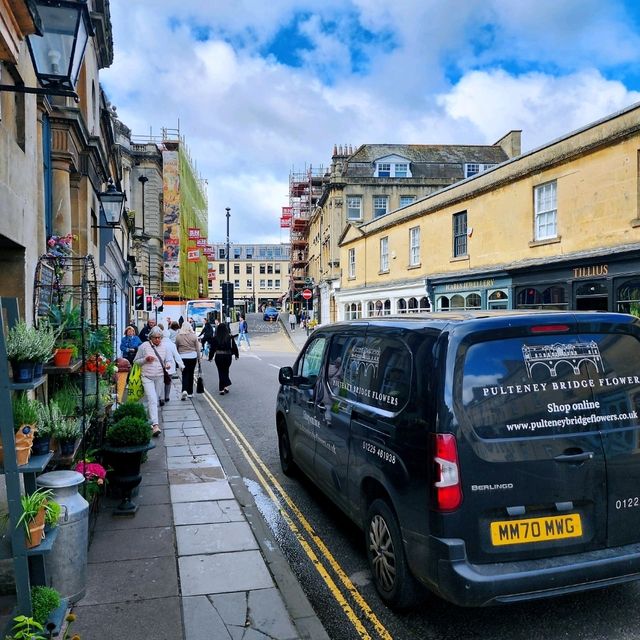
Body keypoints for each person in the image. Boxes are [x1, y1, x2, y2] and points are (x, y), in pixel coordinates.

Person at [133, 326, 169, 437]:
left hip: (159, 376)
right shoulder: (144, 346)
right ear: (150, 338)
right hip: (146, 376)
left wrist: (168, 364)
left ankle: (150, 420)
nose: (158, 340)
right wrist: (145, 360)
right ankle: (155, 425)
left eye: (159, 338)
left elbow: (167, 359)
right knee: (152, 399)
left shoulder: (165, 347)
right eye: (155, 338)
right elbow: (136, 361)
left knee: (155, 400)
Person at [208, 321, 239, 395]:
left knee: (220, 371)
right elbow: (234, 346)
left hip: (218, 356)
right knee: (226, 370)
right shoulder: (230, 337)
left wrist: (210, 357)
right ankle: (226, 386)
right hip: (228, 356)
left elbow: (212, 349)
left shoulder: (215, 338)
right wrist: (236, 355)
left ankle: (222, 389)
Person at [175, 320, 201, 400]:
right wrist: (199, 358)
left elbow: (176, 347)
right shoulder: (193, 336)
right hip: (192, 357)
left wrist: (176, 358)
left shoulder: (178, 336)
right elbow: (197, 348)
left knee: (184, 374)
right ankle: (190, 392)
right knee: (191, 373)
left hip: (182, 357)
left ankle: (184, 390)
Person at [161, 325, 184, 401]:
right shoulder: (172, 345)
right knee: (168, 381)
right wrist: (181, 365)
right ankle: (167, 396)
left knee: (160, 382)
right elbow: (177, 356)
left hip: (160, 365)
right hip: (170, 365)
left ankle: (161, 397)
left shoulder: (158, 344)